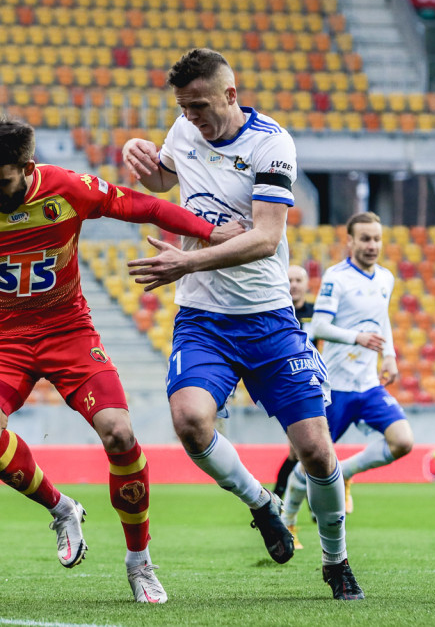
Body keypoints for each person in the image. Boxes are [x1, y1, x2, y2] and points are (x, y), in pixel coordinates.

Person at [0, 118, 242, 604]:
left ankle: (140, 563)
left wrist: (210, 232)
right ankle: (61, 507)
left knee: (121, 434)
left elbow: (143, 204)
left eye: (1, 181)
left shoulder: (67, 189)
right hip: (5, 341)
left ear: (27, 168)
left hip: (69, 334)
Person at [122, 48, 363, 601]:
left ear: (230, 95)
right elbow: (165, 179)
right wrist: (144, 161)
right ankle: (263, 503)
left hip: (269, 319)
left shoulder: (271, 144)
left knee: (317, 452)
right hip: (203, 318)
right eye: (183, 108)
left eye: (200, 106)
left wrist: (187, 258)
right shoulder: (184, 130)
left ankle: (336, 560)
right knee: (190, 420)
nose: (191, 119)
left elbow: (266, 238)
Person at [280, 211, 415, 545]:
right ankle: (288, 519)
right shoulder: (336, 277)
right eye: (365, 239)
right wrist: (358, 337)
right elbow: (320, 327)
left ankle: (347, 473)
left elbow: (382, 321)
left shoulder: (385, 278)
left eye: (377, 239)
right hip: (335, 387)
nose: (372, 245)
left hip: (367, 384)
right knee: (310, 460)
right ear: (351, 241)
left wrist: (391, 357)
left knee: (403, 441)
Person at [272, 265, 313, 502]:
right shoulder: (277, 311)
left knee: (302, 451)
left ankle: (280, 498)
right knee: (298, 450)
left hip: (316, 387)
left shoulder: (318, 313)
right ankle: (284, 499)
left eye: (299, 279)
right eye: (290, 280)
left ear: (306, 285)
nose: (294, 284)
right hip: (287, 387)